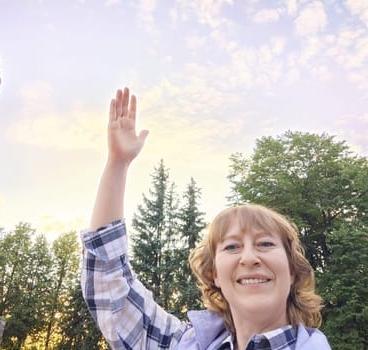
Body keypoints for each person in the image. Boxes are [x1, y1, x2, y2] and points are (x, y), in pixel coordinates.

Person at [81, 87, 331, 349]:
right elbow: (111, 292)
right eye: (232, 246)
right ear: (215, 276)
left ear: (292, 271)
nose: (249, 258)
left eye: (265, 244)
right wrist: (117, 163)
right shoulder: (187, 344)